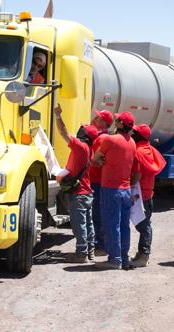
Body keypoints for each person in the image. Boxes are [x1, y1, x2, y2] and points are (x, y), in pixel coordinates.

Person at [92, 111, 141, 270]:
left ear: (120, 124)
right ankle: (123, 257)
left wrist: (102, 162)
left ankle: (114, 260)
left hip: (110, 189)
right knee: (123, 225)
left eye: (117, 119)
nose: (115, 121)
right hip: (126, 189)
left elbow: (95, 160)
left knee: (111, 225)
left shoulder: (110, 140)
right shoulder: (132, 142)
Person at [53, 105, 100, 263]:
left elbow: (63, 133)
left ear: (85, 135)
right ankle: (90, 251)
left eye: (82, 130)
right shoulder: (89, 148)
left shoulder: (80, 147)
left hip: (79, 194)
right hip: (87, 192)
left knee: (79, 224)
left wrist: (58, 116)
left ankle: (81, 254)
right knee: (88, 223)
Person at [130, 124, 166, 268]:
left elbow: (137, 174)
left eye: (135, 132)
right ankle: (142, 253)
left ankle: (144, 255)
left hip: (139, 194)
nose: (132, 133)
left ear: (139, 136)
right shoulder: (150, 150)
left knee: (143, 226)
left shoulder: (138, 151)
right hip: (147, 193)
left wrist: (128, 186)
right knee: (145, 224)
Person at [88, 109, 114, 256]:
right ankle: (100, 245)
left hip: (97, 181)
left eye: (98, 117)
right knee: (97, 213)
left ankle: (101, 246)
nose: (94, 118)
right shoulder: (101, 137)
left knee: (97, 214)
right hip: (98, 180)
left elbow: (97, 161)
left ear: (103, 122)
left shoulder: (101, 139)